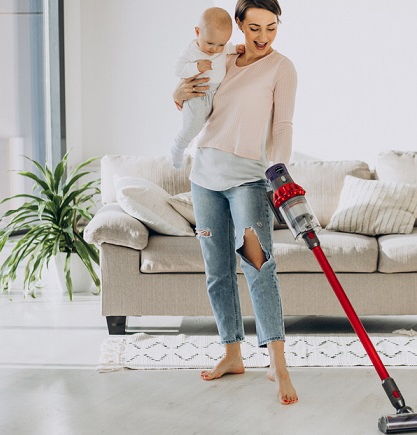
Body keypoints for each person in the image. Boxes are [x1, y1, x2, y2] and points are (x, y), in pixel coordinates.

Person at [172, 0, 298, 405]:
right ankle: (232, 352)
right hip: (204, 175)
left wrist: (280, 173)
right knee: (217, 270)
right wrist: (176, 92)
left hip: (248, 179)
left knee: (259, 266)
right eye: (255, 27)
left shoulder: (281, 68)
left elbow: (282, 124)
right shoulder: (222, 55)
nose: (263, 37)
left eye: (272, 28)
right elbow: (195, 102)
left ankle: (277, 364)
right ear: (239, 25)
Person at [171, 7, 243, 169]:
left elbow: (227, 49)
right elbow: (178, 69)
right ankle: (178, 147)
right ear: (197, 32)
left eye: (221, 44)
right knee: (194, 124)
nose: (215, 49)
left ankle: (191, 150)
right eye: (210, 43)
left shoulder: (221, 46)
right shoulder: (191, 51)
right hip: (197, 92)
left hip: (214, 92)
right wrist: (197, 67)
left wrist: (235, 49)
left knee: (206, 127)